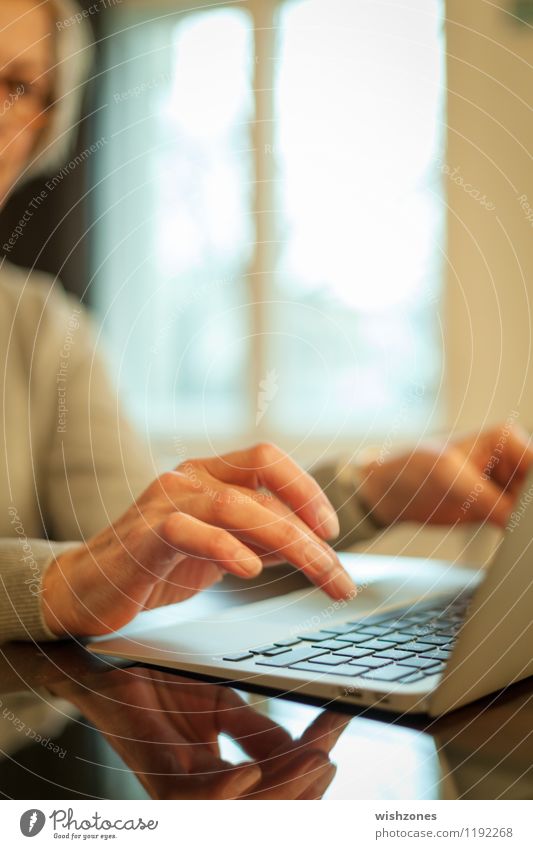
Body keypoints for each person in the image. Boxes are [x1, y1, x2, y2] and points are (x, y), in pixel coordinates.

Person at [1, 0, 532, 649]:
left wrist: (371, 490)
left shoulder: (43, 327)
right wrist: (52, 581)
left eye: (19, 86)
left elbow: (137, 551)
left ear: (43, 130)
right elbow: (81, 571)